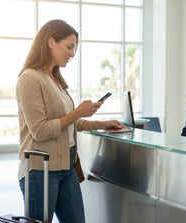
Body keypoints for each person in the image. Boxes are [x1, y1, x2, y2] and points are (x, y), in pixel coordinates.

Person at [16, 19, 123, 222]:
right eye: (69, 46)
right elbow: (40, 131)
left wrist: (101, 124)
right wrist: (77, 112)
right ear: (50, 42)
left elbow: (67, 124)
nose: (72, 53)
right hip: (41, 169)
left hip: (67, 165)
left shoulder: (56, 79)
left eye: (74, 48)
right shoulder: (29, 79)